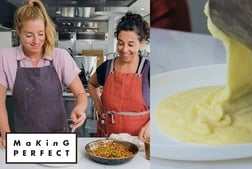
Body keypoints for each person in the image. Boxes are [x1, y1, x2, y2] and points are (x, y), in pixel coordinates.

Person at [0, 0, 88, 148]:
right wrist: (6, 134)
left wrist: (80, 108)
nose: (36, 41)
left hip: (58, 140)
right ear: (18, 31)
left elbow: (81, 93)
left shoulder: (60, 56)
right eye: (29, 35)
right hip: (24, 142)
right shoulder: (5, 58)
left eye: (41, 34)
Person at [88, 12, 150, 141]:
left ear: (142, 42)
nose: (124, 49)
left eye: (131, 44)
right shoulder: (107, 67)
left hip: (139, 142)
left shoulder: (148, 69)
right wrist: (99, 105)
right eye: (120, 43)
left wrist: (152, 125)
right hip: (107, 139)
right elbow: (92, 84)